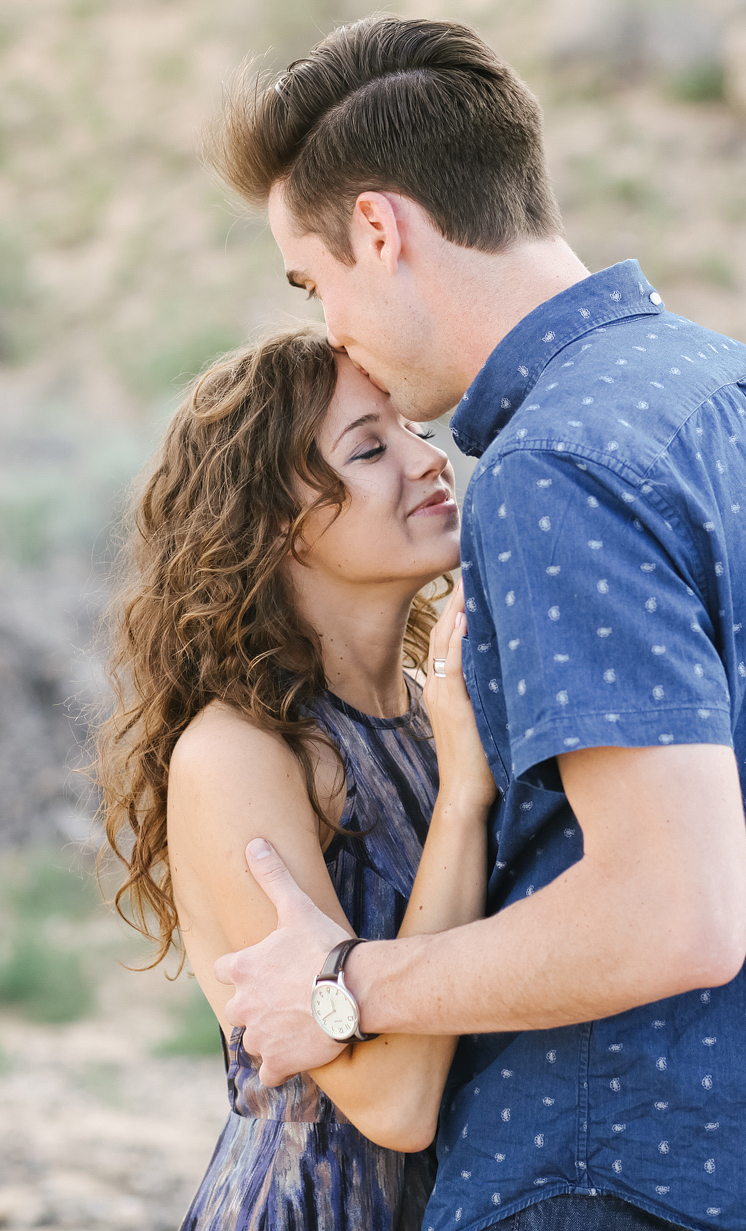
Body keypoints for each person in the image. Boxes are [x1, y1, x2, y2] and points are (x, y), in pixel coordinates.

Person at [206, 16, 746, 1231]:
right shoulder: (732, 389)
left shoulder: (557, 464)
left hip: (623, 1181)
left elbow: (675, 911)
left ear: (379, 229)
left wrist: (343, 986)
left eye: (311, 276)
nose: (328, 324)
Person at [97, 325, 501, 1230]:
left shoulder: (437, 715)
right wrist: (466, 797)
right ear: (279, 526)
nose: (429, 461)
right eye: (369, 447)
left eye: (412, 430)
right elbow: (392, 1102)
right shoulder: (242, 754)